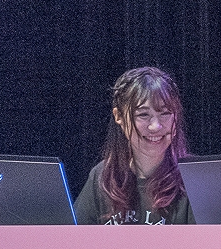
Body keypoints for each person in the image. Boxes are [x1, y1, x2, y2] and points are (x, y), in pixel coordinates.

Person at [75, 66, 194, 225]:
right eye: (143, 115)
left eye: (165, 113)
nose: (155, 126)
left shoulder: (195, 178)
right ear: (119, 116)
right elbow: (72, 237)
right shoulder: (102, 176)